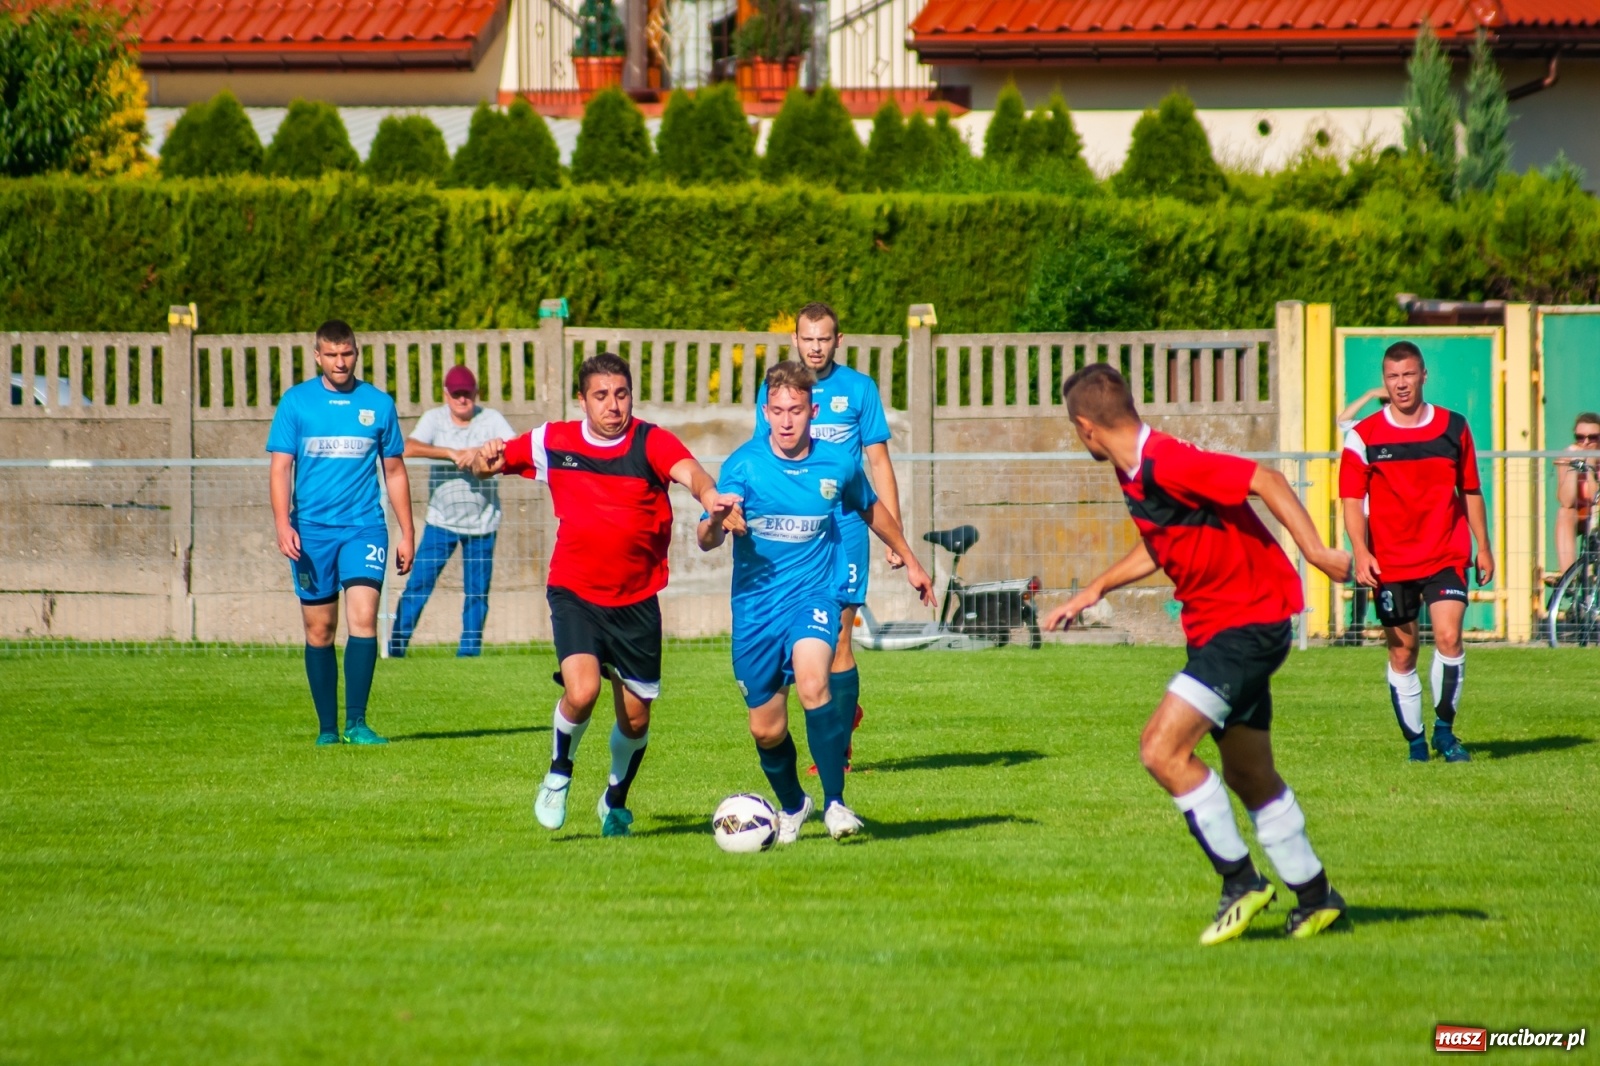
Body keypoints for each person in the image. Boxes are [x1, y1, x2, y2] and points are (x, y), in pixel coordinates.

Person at [1044, 363, 1352, 944]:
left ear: (1086, 427)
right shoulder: (1135, 470)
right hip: (1224, 628)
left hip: (1246, 624)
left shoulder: (1166, 461)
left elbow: (1266, 480)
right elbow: (1164, 541)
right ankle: (1317, 897)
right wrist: (1095, 589)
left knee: (1160, 750)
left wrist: (1315, 551)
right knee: (1248, 773)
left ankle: (1241, 882)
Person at [472, 352, 740, 837]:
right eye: (601, 396)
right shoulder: (553, 441)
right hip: (575, 591)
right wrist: (481, 459)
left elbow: (692, 473)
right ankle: (558, 774)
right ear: (582, 400)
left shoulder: (651, 441)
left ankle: (614, 801)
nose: (613, 405)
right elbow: (489, 462)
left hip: (637, 600)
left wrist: (710, 498)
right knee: (583, 691)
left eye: (621, 394)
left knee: (635, 722)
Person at [702, 361, 934, 843]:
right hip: (756, 609)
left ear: (813, 411)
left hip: (814, 595)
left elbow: (871, 509)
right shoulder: (744, 465)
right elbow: (707, 538)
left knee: (813, 683)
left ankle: (835, 804)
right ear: (765, 412)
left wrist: (910, 559)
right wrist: (718, 520)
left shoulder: (837, 463)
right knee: (766, 730)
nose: (787, 421)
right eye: (778, 411)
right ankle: (793, 804)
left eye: (797, 410)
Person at [754, 303, 901, 774]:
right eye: (808, 338)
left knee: (838, 634)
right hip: (799, 528)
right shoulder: (777, 391)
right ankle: (839, 713)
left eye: (824, 338)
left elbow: (878, 462)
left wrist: (894, 536)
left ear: (839, 341)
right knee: (801, 637)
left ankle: (836, 749)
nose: (815, 347)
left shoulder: (860, 389)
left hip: (848, 526)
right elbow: (763, 455)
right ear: (794, 340)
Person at [1339, 342, 1494, 765]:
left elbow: (1471, 490)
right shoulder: (1363, 435)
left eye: (1409, 374)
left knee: (1449, 637)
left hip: (1446, 553)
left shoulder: (1454, 427)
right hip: (1390, 562)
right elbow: (1351, 500)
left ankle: (1445, 731)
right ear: (1385, 381)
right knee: (1402, 651)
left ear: (1424, 375)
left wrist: (1483, 546)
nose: (1402, 384)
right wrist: (1361, 551)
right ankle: (1416, 743)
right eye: (1393, 377)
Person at [267, 320, 414, 746]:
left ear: (356, 353)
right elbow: (280, 468)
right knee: (320, 630)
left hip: (364, 527)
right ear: (317, 356)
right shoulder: (296, 403)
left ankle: (357, 724)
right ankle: (328, 730)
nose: (340, 362)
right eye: (331, 355)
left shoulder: (378, 404)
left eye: (346, 353)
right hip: (311, 532)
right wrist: (282, 523)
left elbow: (395, 471)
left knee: (364, 617)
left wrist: (407, 532)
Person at [388, 365, 516, 658]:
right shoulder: (434, 419)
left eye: (467, 394)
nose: (462, 400)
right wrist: (450, 452)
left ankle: (468, 654)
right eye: (456, 394)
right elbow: (407, 447)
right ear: (446, 395)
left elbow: (514, 446)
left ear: (476, 393)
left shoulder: (491, 419)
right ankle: (395, 649)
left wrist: (479, 452)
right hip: (440, 521)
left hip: (483, 523)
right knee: (418, 585)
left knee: (477, 593)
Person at [1335, 386, 1388, 641]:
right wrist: (1368, 395)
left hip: (1391, 513)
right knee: (1364, 564)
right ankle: (1356, 626)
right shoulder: (1369, 428)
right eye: (1385, 402)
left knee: (1396, 567)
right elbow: (1343, 421)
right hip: (1366, 512)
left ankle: (1402, 622)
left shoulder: (1411, 429)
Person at [1554, 412, 1599, 574]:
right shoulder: (1567, 457)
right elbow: (1566, 500)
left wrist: (1590, 467)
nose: (1586, 442)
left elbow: (1596, 498)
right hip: (1582, 515)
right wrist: (1574, 466)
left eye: (1592, 438)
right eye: (1580, 437)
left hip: (1598, 513)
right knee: (1564, 513)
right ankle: (1569, 576)